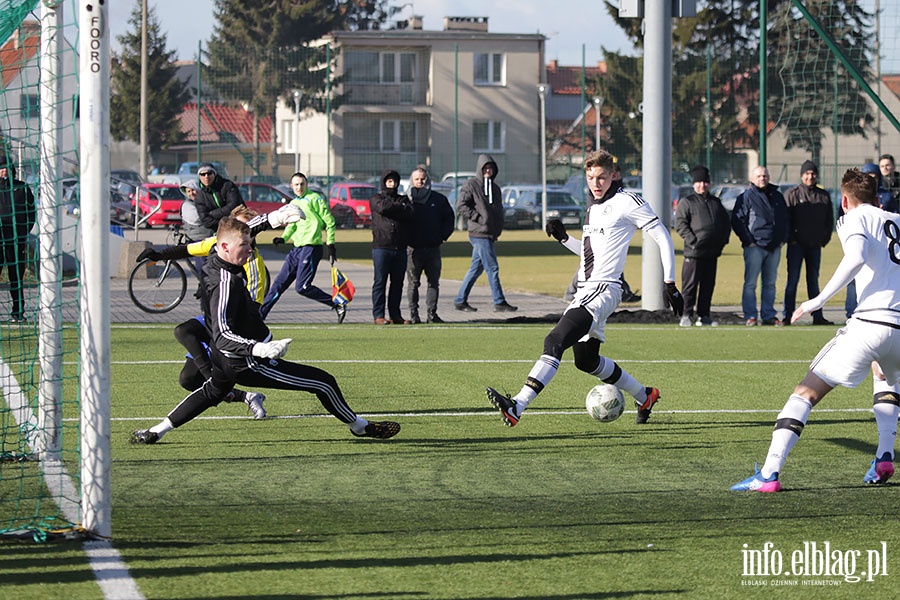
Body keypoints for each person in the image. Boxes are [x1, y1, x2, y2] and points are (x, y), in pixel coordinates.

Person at [130, 216, 400, 444]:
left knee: (211, 392)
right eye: (243, 246)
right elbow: (224, 334)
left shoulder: (215, 256)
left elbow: (221, 239)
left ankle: (156, 431)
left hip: (222, 357)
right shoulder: (227, 284)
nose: (249, 250)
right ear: (224, 246)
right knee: (323, 382)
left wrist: (275, 218)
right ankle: (359, 426)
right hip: (242, 360)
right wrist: (259, 348)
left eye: (249, 244)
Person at [485, 150, 683, 427]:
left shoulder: (628, 202)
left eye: (601, 177)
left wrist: (670, 282)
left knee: (554, 341)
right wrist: (564, 238)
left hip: (603, 289)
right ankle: (645, 395)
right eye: (590, 177)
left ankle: (517, 405)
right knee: (586, 361)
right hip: (587, 289)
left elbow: (662, 235)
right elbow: (590, 254)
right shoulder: (593, 205)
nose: (595, 183)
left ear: (614, 175)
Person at [731, 169, 900, 492]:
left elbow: (857, 256)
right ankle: (884, 457)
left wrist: (817, 300)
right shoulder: (896, 219)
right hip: (899, 327)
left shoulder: (854, 217)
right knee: (886, 377)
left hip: (868, 324)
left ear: (845, 200)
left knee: (805, 393)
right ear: (878, 197)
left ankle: (768, 475)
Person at [259, 172, 345, 323]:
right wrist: (283, 238)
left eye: (302, 184)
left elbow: (329, 221)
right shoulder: (293, 204)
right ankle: (259, 317)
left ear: (306, 184)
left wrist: (330, 243)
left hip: (311, 248)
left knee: (303, 287)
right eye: (296, 185)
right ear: (291, 186)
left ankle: (337, 303)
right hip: (297, 250)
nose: (299, 187)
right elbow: (292, 225)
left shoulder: (315, 199)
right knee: (278, 285)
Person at [454, 154, 517, 313]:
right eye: (485, 168)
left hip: (489, 233)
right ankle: (499, 301)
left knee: (476, 269)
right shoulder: (471, 185)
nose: (488, 171)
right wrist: (478, 218)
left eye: (491, 168)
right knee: (492, 268)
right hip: (478, 233)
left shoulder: (495, 188)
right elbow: (461, 205)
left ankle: (460, 300)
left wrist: (497, 227)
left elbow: (498, 210)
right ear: (480, 169)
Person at [673, 165, 731, 327]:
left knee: (708, 286)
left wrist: (722, 241)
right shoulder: (687, 202)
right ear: (694, 184)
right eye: (699, 182)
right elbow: (680, 224)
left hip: (712, 253)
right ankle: (686, 314)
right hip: (693, 253)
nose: (702, 185)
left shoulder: (716, 202)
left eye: (705, 182)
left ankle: (704, 315)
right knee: (689, 286)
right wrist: (693, 241)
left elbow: (725, 224)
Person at [731, 166, 789, 326]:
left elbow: (785, 219)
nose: (762, 178)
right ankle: (750, 315)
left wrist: (783, 238)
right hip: (754, 246)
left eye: (765, 175)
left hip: (774, 247)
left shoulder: (777, 196)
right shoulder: (746, 197)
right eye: (759, 176)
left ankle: (768, 315)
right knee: (750, 283)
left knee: (770, 283)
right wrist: (748, 240)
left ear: (769, 177)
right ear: (752, 178)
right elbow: (737, 221)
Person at [782, 160, 834, 326]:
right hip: (796, 246)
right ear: (802, 175)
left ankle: (817, 316)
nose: (810, 176)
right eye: (807, 173)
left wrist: (823, 239)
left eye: (813, 173)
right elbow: (785, 220)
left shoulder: (823, 196)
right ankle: (787, 315)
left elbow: (829, 220)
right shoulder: (792, 194)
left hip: (814, 246)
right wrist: (792, 239)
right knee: (792, 281)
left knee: (813, 281)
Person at [405, 166, 455, 324]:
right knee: (413, 283)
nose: (420, 182)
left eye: (423, 179)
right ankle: (414, 315)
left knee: (433, 282)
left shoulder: (439, 200)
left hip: (433, 248)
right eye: (417, 179)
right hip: (412, 249)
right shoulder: (406, 200)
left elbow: (449, 219)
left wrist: (441, 237)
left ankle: (432, 314)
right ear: (412, 181)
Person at [370, 169, 414, 325]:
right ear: (384, 182)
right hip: (381, 247)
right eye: (389, 181)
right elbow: (382, 208)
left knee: (397, 283)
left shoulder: (404, 199)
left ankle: (396, 315)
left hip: (400, 248)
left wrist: (396, 207)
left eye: (394, 182)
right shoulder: (376, 198)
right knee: (380, 282)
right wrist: (398, 207)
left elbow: (409, 213)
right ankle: (378, 315)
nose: (392, 184)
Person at [0, 161, 36, 322]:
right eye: (1, 168)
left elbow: (31, 212)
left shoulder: (22, 188)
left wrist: (23, 232)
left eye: (6, 168)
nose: (3, 171)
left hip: (16, 240)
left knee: (16, 277)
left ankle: (18, 312)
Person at [194, 162, 245, 234]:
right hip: (218, 231)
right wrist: (223, 225)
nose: (206, 176)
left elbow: (234, 206)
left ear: (215, 174)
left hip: (239, 225)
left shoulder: (227, 185)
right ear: (199, 176)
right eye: (203, 174)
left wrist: (213, 214)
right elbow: (205, 220)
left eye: (209, 173)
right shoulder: (200, 196)